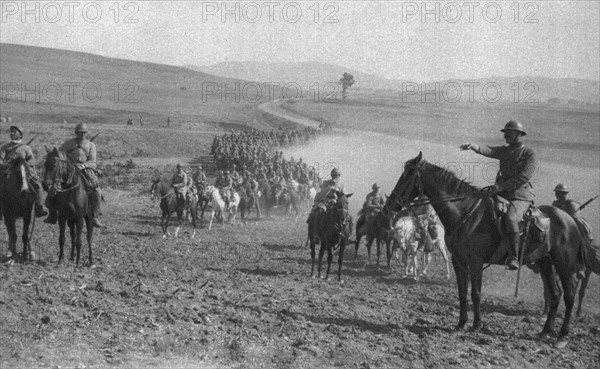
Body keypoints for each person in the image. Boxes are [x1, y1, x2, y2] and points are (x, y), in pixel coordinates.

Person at [460, 120, 537, 270]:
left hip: (519, 196)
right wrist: (473, 146)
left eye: (510, 132)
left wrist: (500, 186)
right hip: (501, 194)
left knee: (511, 218)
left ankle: (514, 257)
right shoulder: (505, 150)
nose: (506, 135)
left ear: (519, 134)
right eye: (505, 132)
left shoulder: (529, 153)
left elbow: (523, 177)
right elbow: (489, 150)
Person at [46, 123, 104, 227]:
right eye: (80, 132)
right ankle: (53, 213)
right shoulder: (68, 143)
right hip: (69, 170)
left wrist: (83, 166)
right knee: (54, 188)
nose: (82, 134)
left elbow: (93, 161)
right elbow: (59, 155)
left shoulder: (91, 145)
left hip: (85, 170)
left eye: (84, 132)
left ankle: (95, 216)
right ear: (76, 132)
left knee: (97, 191)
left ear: (87, 133)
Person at [0, 126, 48, 218]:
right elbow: (0, 159)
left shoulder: (26, 148)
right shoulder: (5, 147)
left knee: (38, 186)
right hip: (7, 170)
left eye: (14, 132)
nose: (12, 133)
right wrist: (6, 164)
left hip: (23, 170)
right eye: (11, 132)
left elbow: (31, 161)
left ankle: (39, 208)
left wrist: (24, 164)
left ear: (20, 134)